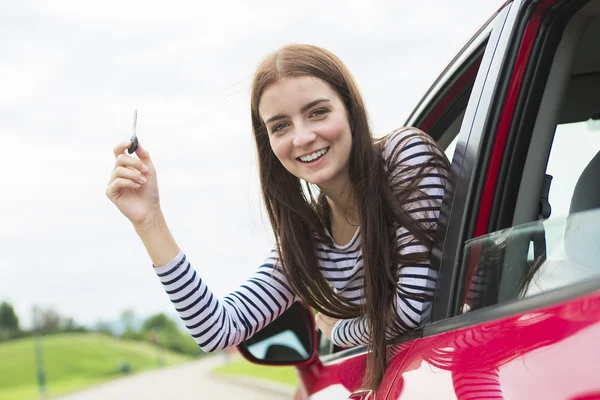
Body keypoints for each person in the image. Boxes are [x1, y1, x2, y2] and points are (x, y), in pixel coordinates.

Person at [106, 44, 450, 390]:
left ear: (349, 108)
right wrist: (149, 220)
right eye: (281, 126)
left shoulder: (404, 155)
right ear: (268, 140)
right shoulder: (307, 240)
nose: (301, 137)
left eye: (317, 112)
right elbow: (217, 330)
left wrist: (335, 330)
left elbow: (411, 311)